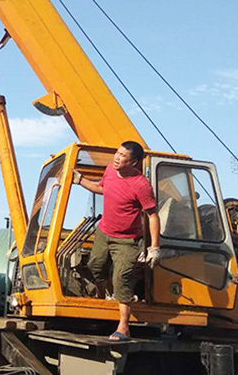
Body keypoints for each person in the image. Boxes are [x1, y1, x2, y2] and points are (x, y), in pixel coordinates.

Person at [73, 140, 160, 341]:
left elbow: (152, 215)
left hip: (127, 240)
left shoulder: (141, 185)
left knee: (122, 278)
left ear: (134, 162)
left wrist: (154, 247)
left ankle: (123, 327)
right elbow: (103, 189)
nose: (117, 158)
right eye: (117, 153)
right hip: (104, 232)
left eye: (122, 156)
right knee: (95, 266)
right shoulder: (110, 171)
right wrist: (80, 180)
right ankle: (107, 295)